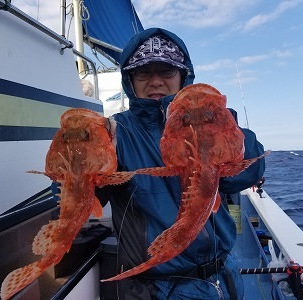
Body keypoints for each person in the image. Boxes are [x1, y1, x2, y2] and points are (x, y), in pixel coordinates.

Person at [95, 27, 266, 299]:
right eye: (143, 72)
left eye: (166, 71)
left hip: (222, 276)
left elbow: (248, 173)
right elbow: (90, 199)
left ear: (183, 76)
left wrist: (230, 132)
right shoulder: (117, 132)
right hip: (155, 287)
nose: (156, 81)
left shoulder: (216, 119)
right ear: (130, 79)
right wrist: (90, 159)